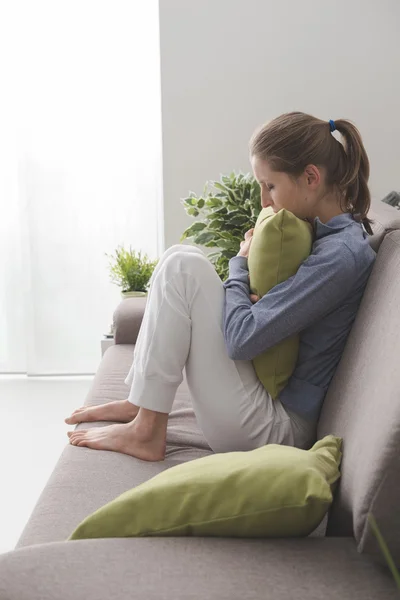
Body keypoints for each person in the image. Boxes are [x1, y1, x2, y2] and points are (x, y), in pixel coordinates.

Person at [65, 112, 376, 461]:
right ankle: (143, 404)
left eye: (270, 186)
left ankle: (147, 431)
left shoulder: (340, 256)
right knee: (180, 256)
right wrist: (253, 299)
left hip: (278, 430)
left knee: (185, 268)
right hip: (265, 407)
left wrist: (240, 265)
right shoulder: (322, 235)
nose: (264, 201)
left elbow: (243, 339)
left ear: (310, 177)